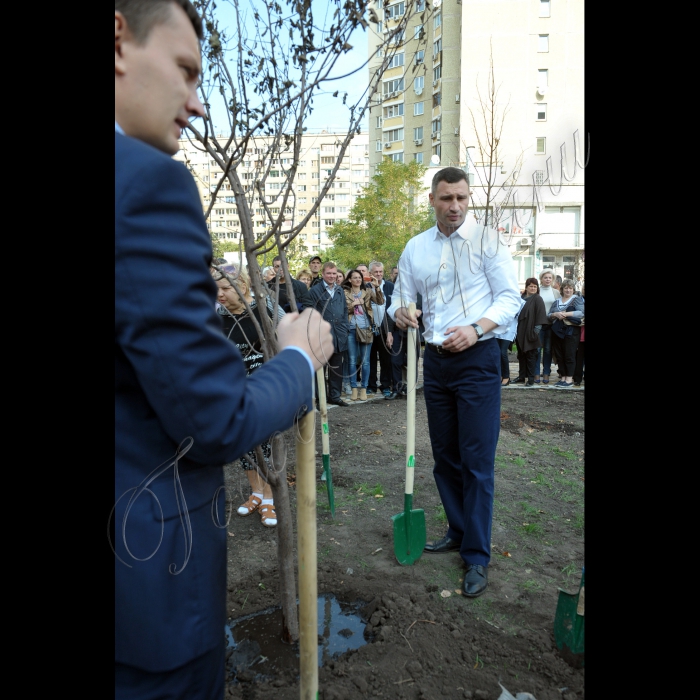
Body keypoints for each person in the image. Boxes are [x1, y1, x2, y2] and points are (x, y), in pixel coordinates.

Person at [115, 2, 333, 696]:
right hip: (147, 602)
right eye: (183, 72)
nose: (198, 105)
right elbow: (213, 419)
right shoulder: (144, 186)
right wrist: (296, 361)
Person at [388, 167, 520, 598]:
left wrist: (477, 328)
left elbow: (509, 298)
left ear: (469, 198)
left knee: (477, 462)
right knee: (445, 458)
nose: (455, 207)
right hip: (437, 365)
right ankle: (459, 531)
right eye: (446, 199)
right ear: (432, 200)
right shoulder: (415, 248)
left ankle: (477, 556)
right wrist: (402, 312)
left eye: (462, 198)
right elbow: (400, 300)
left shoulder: (489, 242)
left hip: (478, 360)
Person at [213, 269, 285, 527]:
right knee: (244, 445)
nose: (219, 294)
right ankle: (255, 493)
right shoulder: (216, 318)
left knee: (265, 444)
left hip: (264, 390)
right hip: (233, 392)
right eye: (216, 289)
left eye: (224, 288)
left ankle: (268, 499)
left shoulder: (264, 310)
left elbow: (286, 338)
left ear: (242, 285)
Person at [303, 262, 350, 406]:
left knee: (336, 368)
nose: (332, 276)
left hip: (339, 335)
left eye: (334, 273)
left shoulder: (340, 290)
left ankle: (334, 396)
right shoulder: (314, 291)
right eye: (329, 273)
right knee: (320, 369)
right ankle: (319, 398)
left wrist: (345, 328)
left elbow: (344, 310)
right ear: (323, 274)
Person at [343, 269, 384, 401]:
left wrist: (376, 287)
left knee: (365, 362)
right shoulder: (344, 292)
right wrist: (352, 305)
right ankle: (354, 388)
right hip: (351, 329)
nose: (357, 280)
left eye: (359, 278)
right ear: (349, 280)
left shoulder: (367, 292)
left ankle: (364, 389)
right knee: (352, 361)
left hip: (366, 329)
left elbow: (380, 301)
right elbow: (342, 309)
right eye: (354, 278)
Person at [512, 278, 548, 387]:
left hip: (531, 331)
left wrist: (535, 332)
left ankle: (531, 379)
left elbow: (540, 315)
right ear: (526, 287)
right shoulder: (521, 298)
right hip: (519, 330)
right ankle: (522, 376)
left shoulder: (538, 299)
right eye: (531, 286)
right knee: (521, 355)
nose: (533, 288)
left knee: (531, 355)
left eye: (535, 286)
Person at [548, 279, 585, 388]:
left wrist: (565, 314)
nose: (568, 290)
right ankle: (563, 377)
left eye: (570, 288)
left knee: (569, 354)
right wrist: (555, 314)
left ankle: (569, 379)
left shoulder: (576, 299)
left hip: (571, 331)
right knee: (560, 355)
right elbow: (549, 315)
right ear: (562, 289)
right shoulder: (557, 301)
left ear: (573, 290)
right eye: (566, 288)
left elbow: (581, 313)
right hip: (557, 331)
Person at [366, 261, 394, 397]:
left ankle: (385, 385)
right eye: (375, 272)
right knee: (370, 358)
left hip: (385, 328)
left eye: (380, 272)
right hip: (370, 329)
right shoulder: (365, 287)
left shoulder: (390, 287)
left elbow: (392, 310)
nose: (378, 274)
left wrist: (390, 331)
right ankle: (371, 385)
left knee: (385, 359)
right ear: (370, 273)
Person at [536, 269, 561, 384]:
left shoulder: (555, 292)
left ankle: (546, 372)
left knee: (547, 350)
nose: (548, 279)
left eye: (550, 278)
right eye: (545, 277)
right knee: (537, 349)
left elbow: (559, 307)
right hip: (539, 325)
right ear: (541, 279)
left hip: (551, 325)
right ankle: (536, 373)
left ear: (552, 279)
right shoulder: (537, 291)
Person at [573, 283, 585, 386]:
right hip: (580, 333)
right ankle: (577, 378)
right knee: (579, 357)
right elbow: (579, 312)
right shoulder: (578, 300)